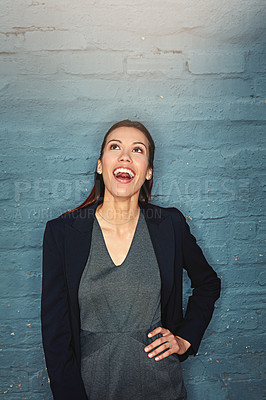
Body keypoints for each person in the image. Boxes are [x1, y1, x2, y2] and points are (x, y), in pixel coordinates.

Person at [41, 119, 221, 400]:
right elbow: (55, 332)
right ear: (101, 165)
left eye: (137, 150)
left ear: (148, 172)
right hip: (90, 389)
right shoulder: (63, 232)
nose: (125, 156)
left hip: (163, 388)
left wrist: (185, 339)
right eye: (115, 147)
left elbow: (208, 284)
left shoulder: (170, 225)